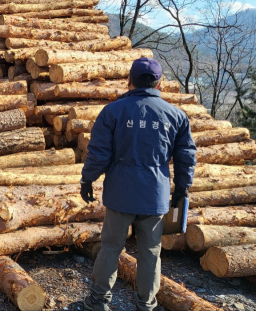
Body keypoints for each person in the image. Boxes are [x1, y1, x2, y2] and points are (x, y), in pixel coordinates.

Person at [80, 57, 197, 311]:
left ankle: (99, 300)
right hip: (154, 196)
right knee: (150, 252)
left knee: (111, 247)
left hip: (120, 193)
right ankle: (146, 304)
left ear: (129, 81)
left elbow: (98, 153)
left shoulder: (113, 111)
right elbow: (186, 157)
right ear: (159, 82)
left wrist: (87, 179)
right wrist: (182, 189)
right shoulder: (176, 115)